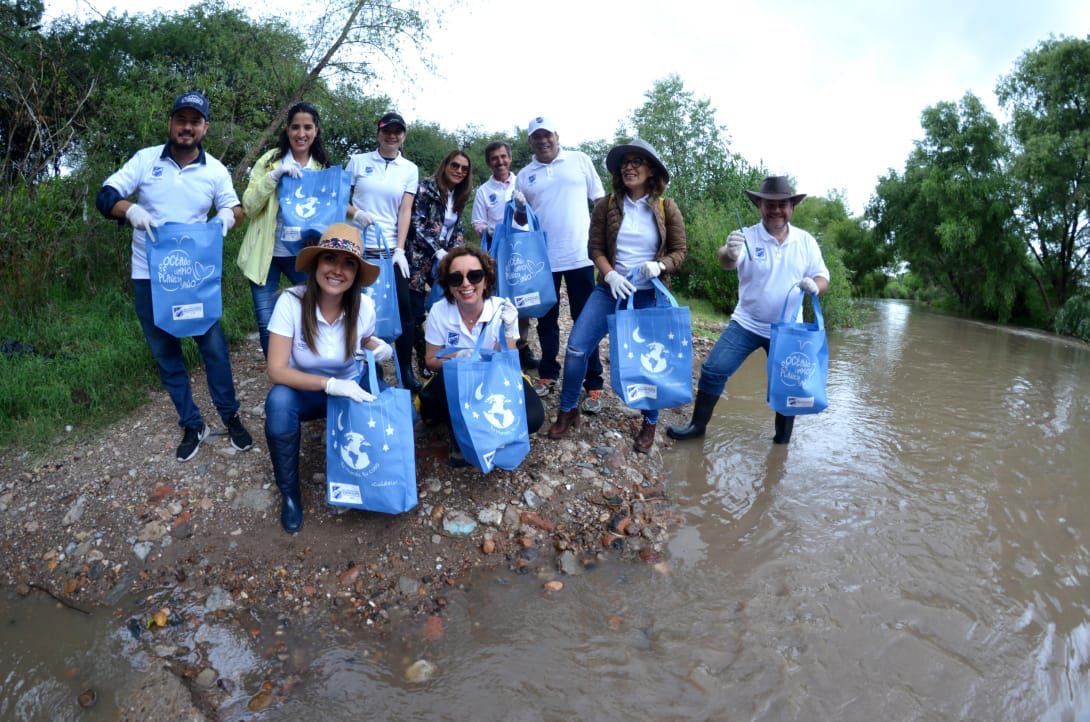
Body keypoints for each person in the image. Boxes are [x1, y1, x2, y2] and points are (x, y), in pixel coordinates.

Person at [95, 90, 253, 463]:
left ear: (204, 127)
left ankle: (230, 416)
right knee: (166, 353)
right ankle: (191, 422)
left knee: (213, 348)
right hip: (148, 276)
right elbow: (106, 196)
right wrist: (130, 211)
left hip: (194, 279)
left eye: (194, 121)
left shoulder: (215, 170)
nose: (186, 127)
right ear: (170, 123)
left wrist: (226, 219)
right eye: (180, 119)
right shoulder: (145, 160)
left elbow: (235, 207)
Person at [545, 139, 687, 453]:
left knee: (649, 362)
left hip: (649, 296)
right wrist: (609, 274)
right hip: (609, 290)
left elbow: (680, 252)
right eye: (625, 162)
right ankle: (568, 409)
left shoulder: (667, 207)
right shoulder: (607, 204)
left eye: (637, 161)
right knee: (577, 349)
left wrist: (659, 264)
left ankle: (650, 420)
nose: (629, 166)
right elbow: (594, 248)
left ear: (651, 170)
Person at [667, 176, 830, 445]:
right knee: (713, 370)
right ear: (760, 206)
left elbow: (823, 276)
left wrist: (815, 286)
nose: (776, 210)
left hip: (789, 330)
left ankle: (782, 442)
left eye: (782, 204)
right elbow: (727, 261)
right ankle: (697, 427)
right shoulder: (747, 236)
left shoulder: (806, 241)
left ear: (792, 207)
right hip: (747, 323)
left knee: (789, 384)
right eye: (770, 204)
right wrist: (729, 252)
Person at [264, 223, 393, 533]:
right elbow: (276, 370)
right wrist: (330, 385)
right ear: (317, 264)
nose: (338, 270)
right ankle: (290, 493)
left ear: (357, 274)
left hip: (352, 387)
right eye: (330, 260)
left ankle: (375, 480)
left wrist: (379, 347)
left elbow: (364, 340)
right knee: (278, 404)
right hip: (308, 393)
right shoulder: (291, 302)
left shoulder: (364, 307)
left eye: (349, 263)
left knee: (405, 414)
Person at [417, 247, 545, 467]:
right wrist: (459, 357)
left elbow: (508, 361)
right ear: (448, 284)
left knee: (533, 417)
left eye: (474, 275)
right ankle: (460, 435)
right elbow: (430, 361)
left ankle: (493, 435)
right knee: (429, 406)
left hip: (496, 377)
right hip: (457, 379)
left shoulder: (503, 310)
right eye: (456, 278)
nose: (466, 283)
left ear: (486, 280)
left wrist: (507, 333)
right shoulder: (440, 311)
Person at [514, 117, 607, 411]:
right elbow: (521, 222)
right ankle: (548, 374)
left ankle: (593, 383)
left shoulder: (580, 160)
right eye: (536, 137)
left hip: (581, 256)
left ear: (556, 135)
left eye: (547, 135)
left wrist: (607, 245)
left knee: (586, 321)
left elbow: (601, 203)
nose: (543, 141)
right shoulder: (525, 175)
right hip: (543, 260)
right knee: (547, 320)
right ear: (530, 142)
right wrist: (517, 209)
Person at [237, 101, 331, 357]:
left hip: (303, 255)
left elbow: (326, 216)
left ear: (316, 130)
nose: (301, 134)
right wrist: (274, 176)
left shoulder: (322, 168)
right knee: (268, 325)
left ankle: (308, 369)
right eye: (295, 127)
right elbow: (249, 206)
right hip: (264, 257)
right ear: (287, 130)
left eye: (307, 127)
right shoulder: (269, 161)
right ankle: (279, 378)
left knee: (313, 315)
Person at [345, 112, 420, 391]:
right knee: (360, 311)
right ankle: (370, 368)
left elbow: (405, 209)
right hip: (359, 247)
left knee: (403, 309)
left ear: (403, 136)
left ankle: (405, 369)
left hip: (390, 252)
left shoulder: (409, 169)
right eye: (387, 130)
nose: (392, 135)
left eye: (397, 131)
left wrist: (400, 249)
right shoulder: (358, 161)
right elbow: (340, 199)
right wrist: (357, 213)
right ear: (378, 132)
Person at [471, 141, 538, 371]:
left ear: (509, 158)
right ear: (489, 162)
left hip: (519, 251)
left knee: (519, 298)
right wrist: (487, 229)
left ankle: (521, 346)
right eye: (494, 158)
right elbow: (476, 222)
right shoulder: (484, 190)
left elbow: (531, 217)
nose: (499, 162)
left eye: (503, 157)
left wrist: (521, 209)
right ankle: (492, 342)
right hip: (494, 252)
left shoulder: (522, 183)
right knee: (495, 296)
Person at [407, 150, 471, 377]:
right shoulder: (425, 187)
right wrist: (438, 251)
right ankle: (421, 356)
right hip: (418, 257)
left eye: (464, 168)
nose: (459, 171)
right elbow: (416, 223)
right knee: (414, 312)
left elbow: (458, 230)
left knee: (443, 306)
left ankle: (441, 355)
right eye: (455, 165)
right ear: (445, 165)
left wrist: (455, 256)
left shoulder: (460, 195)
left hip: (445, 260)